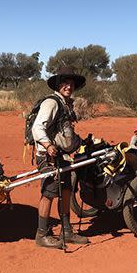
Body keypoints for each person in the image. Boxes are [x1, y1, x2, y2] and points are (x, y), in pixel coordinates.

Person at [31, 67, 89, 248]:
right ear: (58, 85)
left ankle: (66, 231)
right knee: (49, 193)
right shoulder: (52, 103)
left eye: (71, 84)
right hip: (48, 156)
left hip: (61, 155)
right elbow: (37, 127)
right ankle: (41, 235)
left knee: (65, 191)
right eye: (65, 83)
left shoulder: (65, 104)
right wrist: (48, 146)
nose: (68, 86)